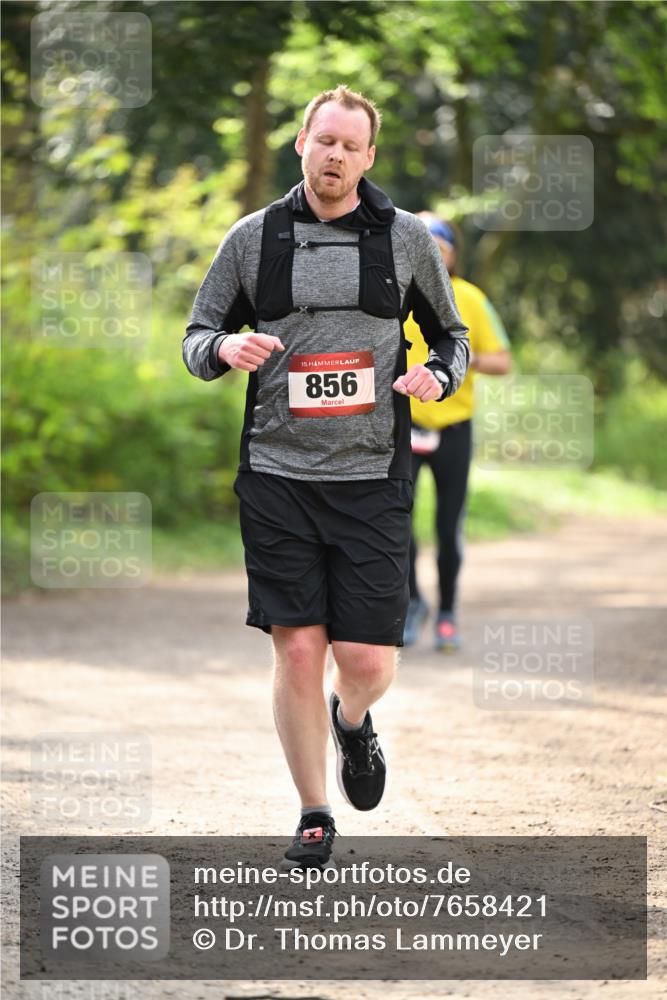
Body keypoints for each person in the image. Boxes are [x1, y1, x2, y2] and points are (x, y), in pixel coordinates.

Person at [183, 87, 469, 869]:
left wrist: (439, 377)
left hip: (372, 474)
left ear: (369, 157)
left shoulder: (405, 240)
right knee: (298, 648)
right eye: (324, 141)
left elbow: (452, 337)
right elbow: (198, 330)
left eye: (351, 145)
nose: (335, 155)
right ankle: (314, 811)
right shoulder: (254, 238)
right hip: (276, 471)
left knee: (367, 662)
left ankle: (352, 722)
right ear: (301, 143)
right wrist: (221, 351)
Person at [403, 214, 511, 652]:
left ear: (451, 253)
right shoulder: (395, 293)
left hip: (453, 427)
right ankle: (412, 604)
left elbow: (502, 361)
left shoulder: (469, 297)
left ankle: (447, 612)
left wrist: (459, 360)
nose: (430, 250)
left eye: (438, 244)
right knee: (395, 521)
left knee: (448, 527)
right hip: (402, 425)